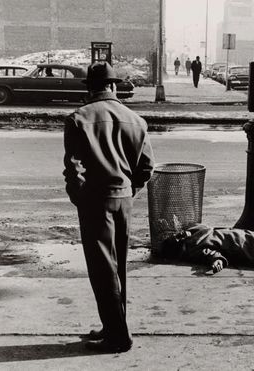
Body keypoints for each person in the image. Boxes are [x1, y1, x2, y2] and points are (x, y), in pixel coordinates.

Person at [63, 61, 155, 353]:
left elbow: (73, 169)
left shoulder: (78, 119)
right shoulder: (136, 120)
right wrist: (130, 190)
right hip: (123, 200)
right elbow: (147, 167)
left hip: (95, 200)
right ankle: (115, 325)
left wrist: (80, 196)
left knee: (102, 270)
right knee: (118, 267)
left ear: (90, 89)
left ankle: (117, 337)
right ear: (114, 86)